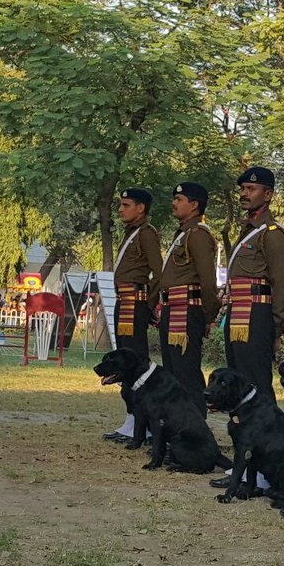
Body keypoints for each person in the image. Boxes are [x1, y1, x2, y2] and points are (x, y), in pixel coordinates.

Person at [225, 166, 284, 398]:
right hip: (237, 311)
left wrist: (276, 327)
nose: (245, 193)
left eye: (251, 189)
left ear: (268, 195)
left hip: (257, 315)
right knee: (238, 379)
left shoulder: (271, 233)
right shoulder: (247, 231)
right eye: (243, 189)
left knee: (255, 381)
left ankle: (266, 431)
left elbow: (282, 283)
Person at [105, 186, 163, 442]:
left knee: (136, 363)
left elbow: (157, 272)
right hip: (124, 301)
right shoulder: (131, 233)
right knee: (123, 364)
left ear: (141, 208)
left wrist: (149, 306)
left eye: (126, 205)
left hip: (136, 303)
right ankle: (131, 418)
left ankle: (144, 422)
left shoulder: (147, 234)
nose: (121, 209)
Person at [160, 181, 221, 412]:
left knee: (186, 371)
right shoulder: (184, 233)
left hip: (186, 309)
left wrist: (207, 316)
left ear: (194, 205)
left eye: (179, 200)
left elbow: (207, 280)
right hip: (172, 307)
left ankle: (195, 426)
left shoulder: (198, 234)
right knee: (173, 370)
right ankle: (178, 425)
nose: (174, 203)